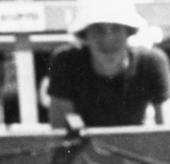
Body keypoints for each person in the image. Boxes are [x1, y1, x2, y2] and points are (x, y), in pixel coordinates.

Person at [47, 0, 170, 128]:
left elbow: (167, 133)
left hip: (137, 146)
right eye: (98, 29)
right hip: (84, 147)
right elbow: (60, 134)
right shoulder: (66, 63)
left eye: (116, 28)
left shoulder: (152, 62)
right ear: (85, 35)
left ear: (128, 32)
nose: (108, 38)